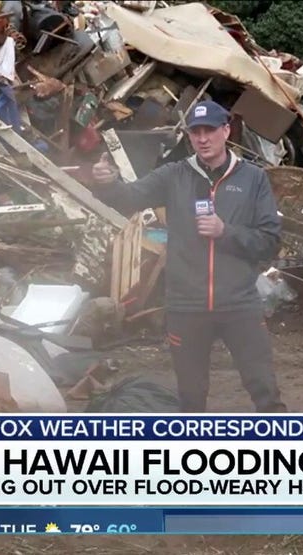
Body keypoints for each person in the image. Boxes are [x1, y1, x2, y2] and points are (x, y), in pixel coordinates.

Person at [90, 100, 288, 413]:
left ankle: (281, 451)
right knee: (191, 397)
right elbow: (129, 198)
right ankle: (192, 453)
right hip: (186, 306)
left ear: (226, 130)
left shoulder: (252, 179)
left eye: (209, 130)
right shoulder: (174, 176)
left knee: (264, 388)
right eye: (196, 132)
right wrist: (108, 184)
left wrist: (226, 231)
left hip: (239, 303)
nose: (203, 138)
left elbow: (269, 242)